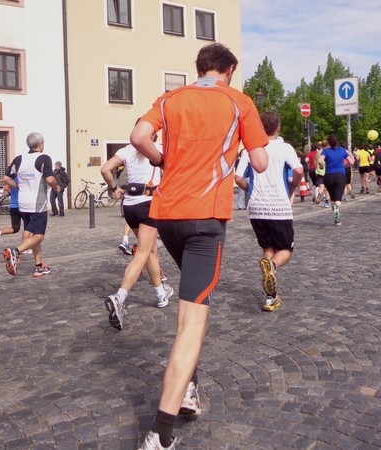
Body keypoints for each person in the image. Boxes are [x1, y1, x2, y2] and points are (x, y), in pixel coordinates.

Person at [130, 43, 268, 450]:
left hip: (167, 217)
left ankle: (189, 387)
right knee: (193, 317)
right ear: (229, 69)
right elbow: (261, 163)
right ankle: (161, 433)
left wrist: (161, 159)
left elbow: (139, 136)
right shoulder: (239, 101)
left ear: (200, 68)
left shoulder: (171, 98)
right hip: (205, 220)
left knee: (193, 304)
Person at [100, 129, 174, 327]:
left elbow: (105, 169)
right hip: (149, 204)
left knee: (150, 250)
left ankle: (160, 293)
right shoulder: (158, 148)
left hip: (130, 206)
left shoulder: (126, 150)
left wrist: (114, 189)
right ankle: (120, 297)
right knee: (142, 254)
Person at [237, 111, 302, 312]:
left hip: (257, 208)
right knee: (286, 250)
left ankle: (270, 298)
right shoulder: (285, 148)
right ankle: (272, 267)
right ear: (278, 128)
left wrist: (250, 190)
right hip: (278, 207)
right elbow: (298, 170)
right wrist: (292, 187)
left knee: (268, 248)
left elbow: (238, 178)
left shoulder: (250, 150)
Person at [2, 132, 57, 277]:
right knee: (39, 236)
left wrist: (17, 186)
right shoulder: (44, 158)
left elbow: (6, 178)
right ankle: (15, 252)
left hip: (22, 203)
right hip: (37, 203)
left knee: (33, 234)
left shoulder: (19, 159)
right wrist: (56, 187)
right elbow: (50, 179)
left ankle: (38, 266)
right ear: (40, 144)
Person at [317, 134, 355, 225]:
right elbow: (351, 162)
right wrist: (344, 166)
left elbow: (319, 161)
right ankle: (336, 208)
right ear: (337, 141)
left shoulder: (325, 151)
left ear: (329, 142)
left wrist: (321, 166)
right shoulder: (342, 150)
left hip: (329, 176)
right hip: (340, 175)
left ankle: (336, 219)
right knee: (338, 199)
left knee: (332, 198)